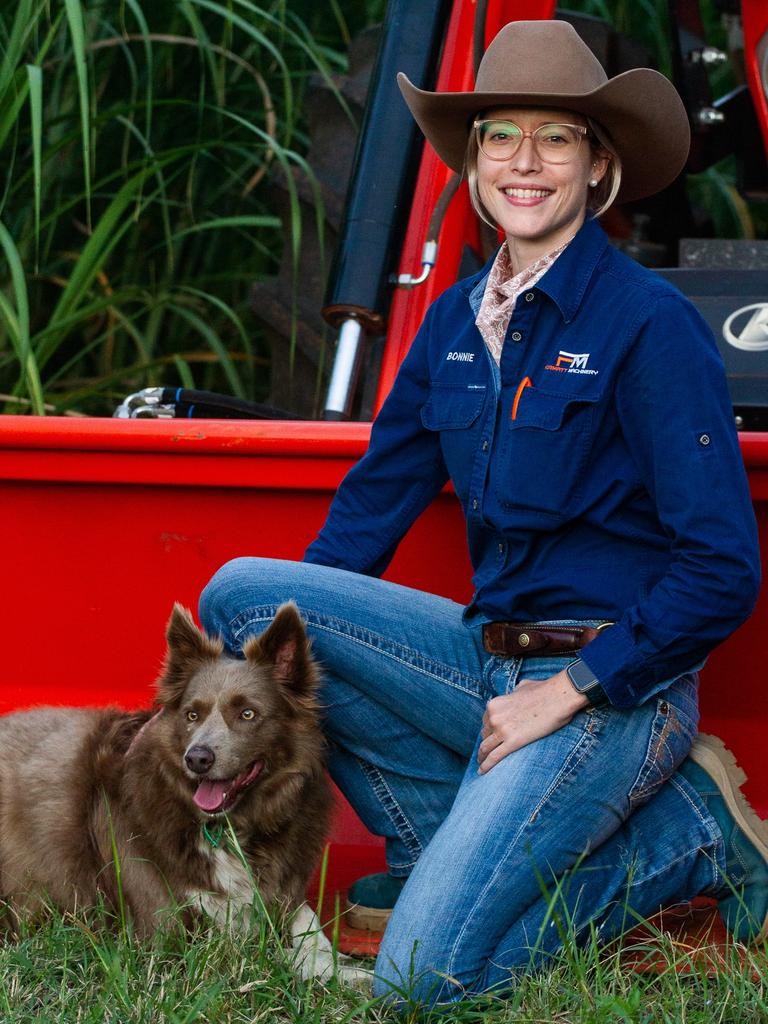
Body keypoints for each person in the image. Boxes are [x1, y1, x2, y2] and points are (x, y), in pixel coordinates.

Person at [200, 20, 766, 1005]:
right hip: (483, 664)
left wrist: (575, 686)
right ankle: (439, 848)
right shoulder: (458, 326)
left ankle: (689, 836)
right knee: (249, 599)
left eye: (558, 137)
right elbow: (366, 516)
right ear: (473, 159)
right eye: (500, 134)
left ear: (599, 166)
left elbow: (722, 568)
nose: (526, 161)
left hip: (608, 687)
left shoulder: (648, 325)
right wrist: (245, 696)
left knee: (418, 978)